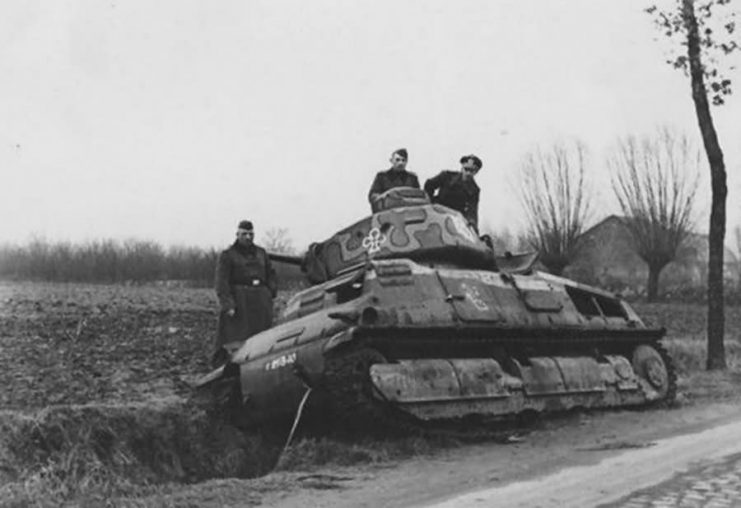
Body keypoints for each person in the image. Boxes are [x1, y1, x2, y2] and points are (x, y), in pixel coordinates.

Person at [213, 220, 277, 365]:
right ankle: (232, 366)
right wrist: (228, 304)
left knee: (262, 338)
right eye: (244, 234)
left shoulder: (261, 253)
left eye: (250, 234)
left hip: (261, 302)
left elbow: (271, 274)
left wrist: (270, 292)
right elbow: (221, 282)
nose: (248, 237)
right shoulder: (227, 255)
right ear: (237, 234)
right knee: (236, 339)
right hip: (240, 302)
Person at [424, 154, 482, 231]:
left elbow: (472, 210)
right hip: (436, 213)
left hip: (455, 220)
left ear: (476, 172)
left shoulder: (474, 190)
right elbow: (429, 185)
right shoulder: (447, 176)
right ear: (462, 167)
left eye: (471, 171)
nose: (468, 173)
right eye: (466, 169)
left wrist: (471, 222)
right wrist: (429, 202)